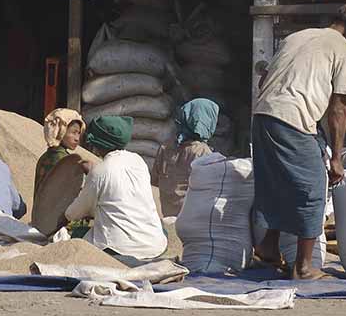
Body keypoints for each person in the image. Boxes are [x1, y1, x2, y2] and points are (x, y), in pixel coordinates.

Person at [252, 2, 346, 281]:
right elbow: (339, 108)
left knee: (279, 184)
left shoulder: (297, 37)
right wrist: (337, 158)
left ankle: (269, 246)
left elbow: (264, 82)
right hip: (292, 120)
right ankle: (304, 267)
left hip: (263, 115)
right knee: (313, 188)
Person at [64, 116, 167, 263]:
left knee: (77, 237)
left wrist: (92, 176)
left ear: (97, 144)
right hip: (154, 246)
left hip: (118, 249)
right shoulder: (138, 161)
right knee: (159, 227)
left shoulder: (99, 172)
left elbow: (72, 214)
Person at [151, 98, 219, 218]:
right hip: (190, 219)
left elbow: (155, 181)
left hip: (166, 215)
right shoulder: (203, 152)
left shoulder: (165, 147)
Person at [34, 108, 85, 198]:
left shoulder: (44, 157)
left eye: (79, 133)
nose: (77, 138)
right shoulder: (66, 160)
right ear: (59, 130)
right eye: (73, 133)